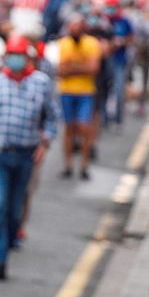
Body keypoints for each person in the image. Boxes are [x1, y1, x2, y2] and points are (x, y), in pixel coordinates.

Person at [0, 36, 59, 280]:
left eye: (19, 54)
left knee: (15, 209)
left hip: (26, 155)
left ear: (28, 57)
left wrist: (46, 141)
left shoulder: (41, 83)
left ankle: (9, 238)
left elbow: (53, 116)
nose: (15, 59)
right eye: (11, 54)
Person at [58, 15, 100, 180]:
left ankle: (84, 165)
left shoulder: (92, 44)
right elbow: (62, 70)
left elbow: (93, 68)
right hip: (67, 91)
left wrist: (72, 68)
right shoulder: (64, 44)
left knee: (84, 128)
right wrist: (82, 68)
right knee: (69, 128)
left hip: (85, 92)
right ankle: (68, 165)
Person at [104, 0, 133, 128]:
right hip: (105, 62)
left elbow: (131, 38)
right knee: (104, 91)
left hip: (119, 61)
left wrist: (122, 42)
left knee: (119, 91)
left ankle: (118, 120)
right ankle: (105, 120)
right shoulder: (104, 22)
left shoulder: (124, 21)